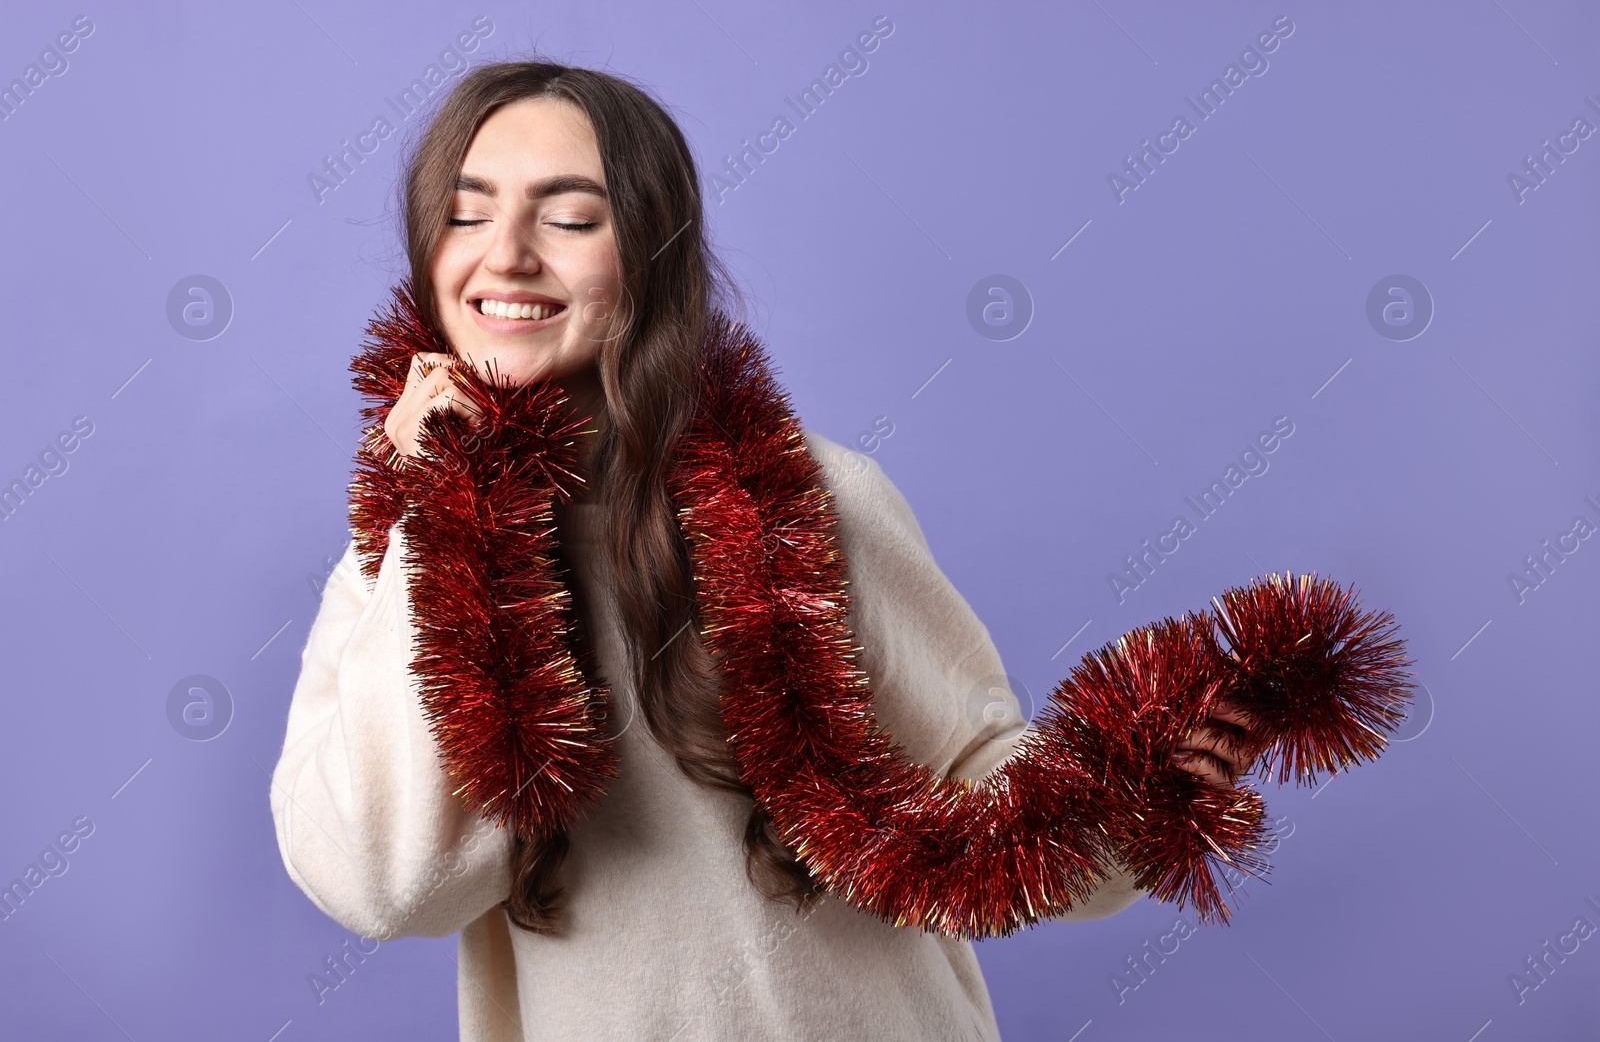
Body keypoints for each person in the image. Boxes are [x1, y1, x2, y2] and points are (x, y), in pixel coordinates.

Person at [269, 59, 1261, 1042]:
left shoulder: (812, 500)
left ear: (652, 251)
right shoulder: (390, 564)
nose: (508, 255)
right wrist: (439, 508)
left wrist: (1145, 787)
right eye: (467, 213)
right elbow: (388, 886)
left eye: (569, 218)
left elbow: (977, 788)